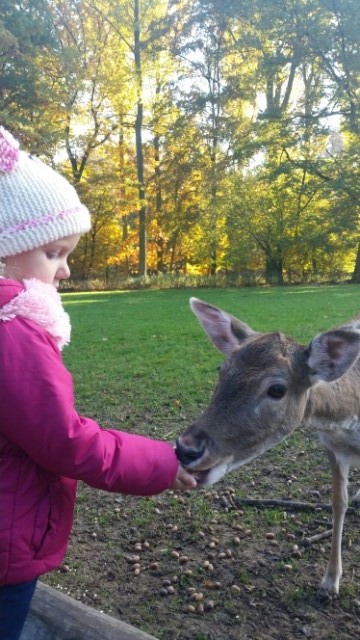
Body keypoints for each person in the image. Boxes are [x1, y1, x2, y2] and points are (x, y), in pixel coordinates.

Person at [0, 126, 196, 640]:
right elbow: (65, 440)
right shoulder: (12, 332)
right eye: (54, 253)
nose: (64, 270)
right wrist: (160, 464)